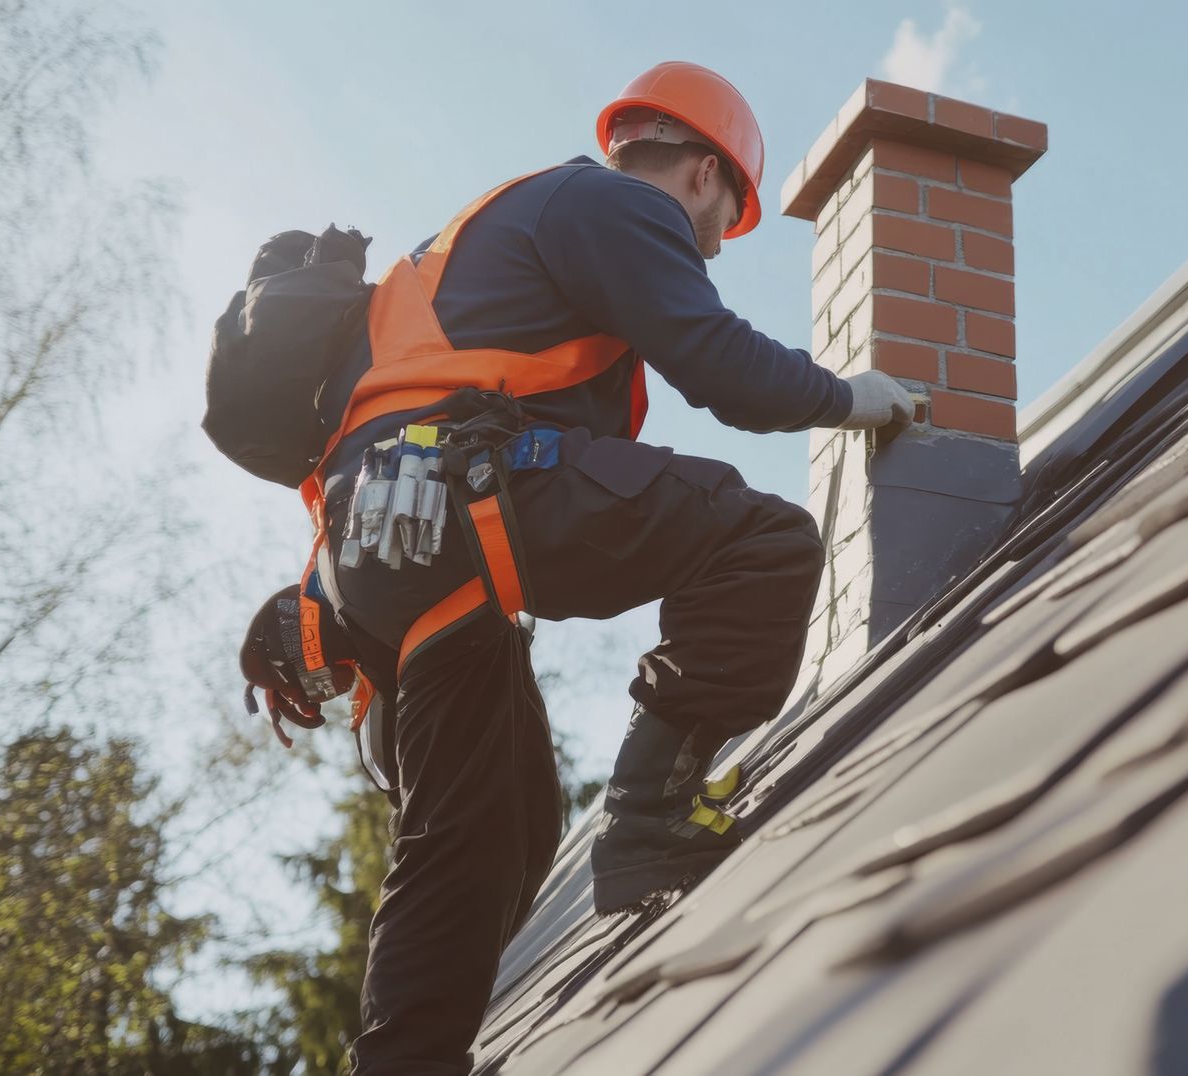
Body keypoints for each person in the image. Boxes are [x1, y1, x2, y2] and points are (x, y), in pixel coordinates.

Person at [237, 61, 915, 1075]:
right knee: (763, 539)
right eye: (725, 220)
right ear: (699, 172)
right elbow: (721, 365)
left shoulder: (508, 238)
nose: (714, 245)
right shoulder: (609, 204)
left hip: (389, 550)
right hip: (460, 507)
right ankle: (649, 812)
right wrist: (853, 397)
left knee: (492, 830)